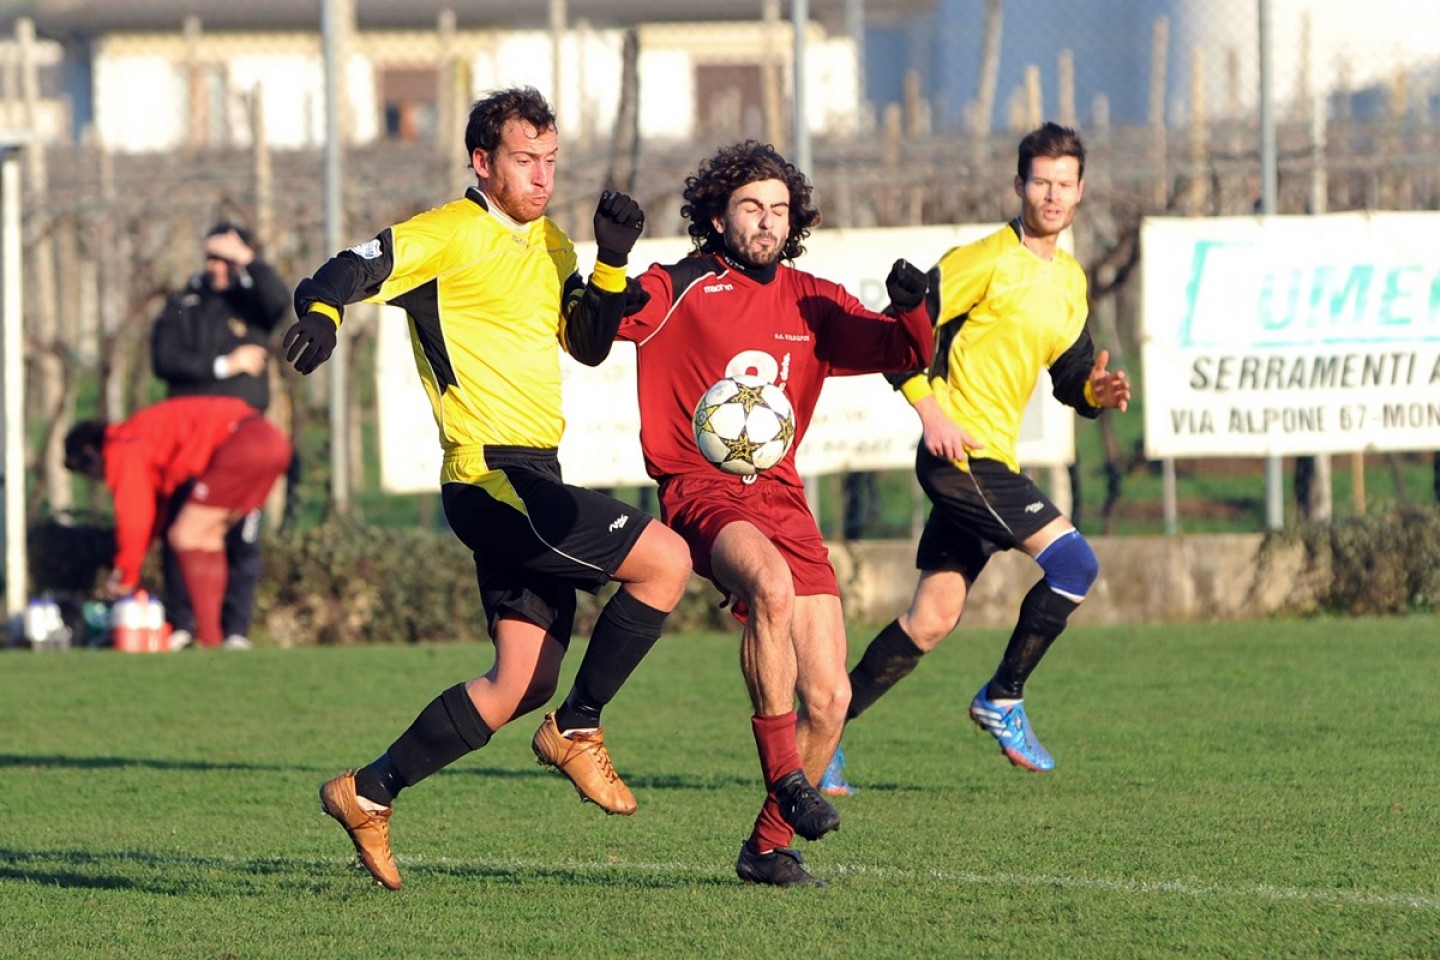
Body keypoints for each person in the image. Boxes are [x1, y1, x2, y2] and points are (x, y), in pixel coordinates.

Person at [283, 86, 692, 891]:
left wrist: (609, 263)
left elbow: (588, 345)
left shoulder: (552, 245)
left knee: (518, 682)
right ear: (482, 161)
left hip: (539, 475)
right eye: (523, 161)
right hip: (490, 475)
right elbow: (348, 267)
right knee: (667, 561)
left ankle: (367, 792)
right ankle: (578, 729)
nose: (541, 177)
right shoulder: (445, 233)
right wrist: (324, 311)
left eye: (549, 161)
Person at [611, 141, 934, 887]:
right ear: (718, 217)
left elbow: (901, 351)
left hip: (782, 499)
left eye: (779, 209)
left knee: (831, 698)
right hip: (702, 491)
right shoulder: (682, 282)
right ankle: (786, 775)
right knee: (771, 589)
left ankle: (765, 847)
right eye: (751, 207)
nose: (766, 221)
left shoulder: (810, 297)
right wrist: (608, 278)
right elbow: (616, 318)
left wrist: (914, 308)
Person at [834, 122, 1131, 782]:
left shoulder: (1071, 280)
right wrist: (929, 408)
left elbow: (1069, 372)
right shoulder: (985, 257)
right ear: (1019, 184)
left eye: (1064, 184)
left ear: (1080, 192)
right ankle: (1003, 697)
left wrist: (1095, 390)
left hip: (993, 460)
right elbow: (902, 326)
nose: (1051, 195)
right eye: (1040, 182)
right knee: (1075, 564)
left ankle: (821, 728)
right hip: (960, 457)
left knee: (932, 618)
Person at [151, 221, 291, 652]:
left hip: (242, 445)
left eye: (227, 258)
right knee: (180, 529)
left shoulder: (252, 303)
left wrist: (246, 258)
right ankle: (184, 624)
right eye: (212, 256)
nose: (217, 266)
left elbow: (279, 304)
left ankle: (234, 631)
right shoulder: (185, 303)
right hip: (191, 440)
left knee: (243, 537)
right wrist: (223, 365)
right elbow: (166, 360)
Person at [62, 395, 293, 650]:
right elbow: (152, 515)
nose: (98, 479)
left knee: (185, 535)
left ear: (89, 452)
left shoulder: (121, 447)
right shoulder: (140, 436)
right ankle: (219, 638)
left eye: (88, 471)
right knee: (209, 536)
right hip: (272, 441)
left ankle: (209, 637)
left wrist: (125, 573)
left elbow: (134, 517)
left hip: (242, 444)